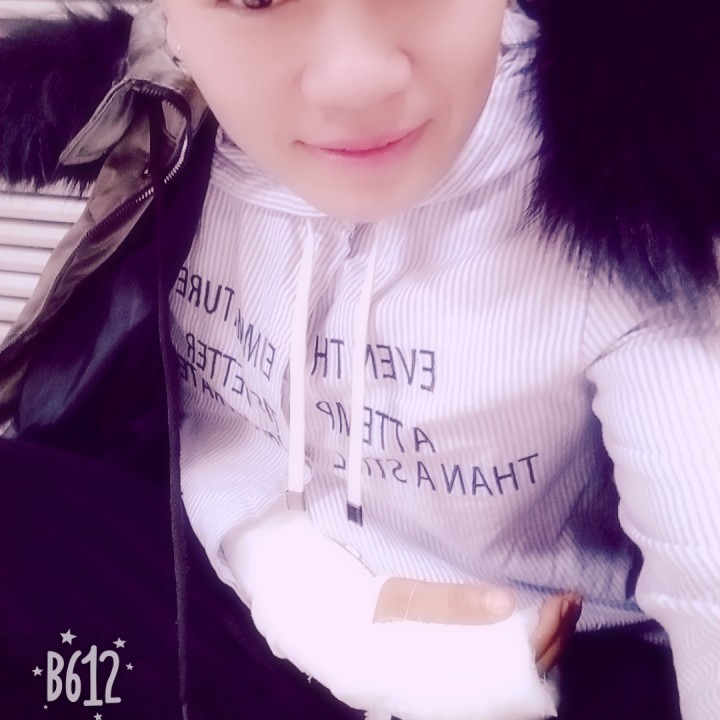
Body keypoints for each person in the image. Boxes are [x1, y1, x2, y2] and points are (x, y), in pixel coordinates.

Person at [0, 0, 718, 718]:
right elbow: (220, 427)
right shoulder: (171, 125)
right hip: (234, 587)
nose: (358, 78)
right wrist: (313, 600)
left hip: (526, 666)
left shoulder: (630, 189)